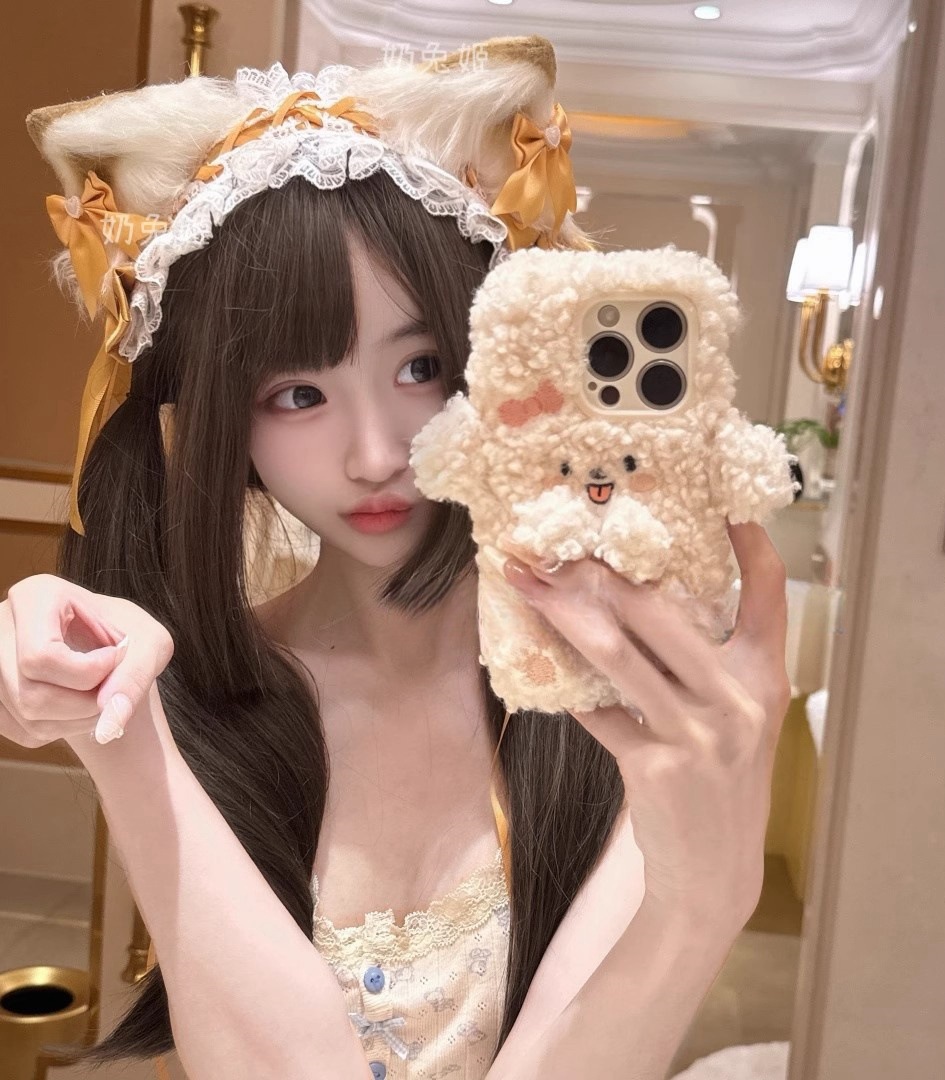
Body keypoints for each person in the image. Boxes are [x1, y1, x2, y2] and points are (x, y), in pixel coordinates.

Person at [1, 35, 793, 1080]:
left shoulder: (608, 691)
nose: (376, 453)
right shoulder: (192, 694)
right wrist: (118, 727)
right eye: (298, 393)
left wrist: (705, 900)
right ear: (225, 425)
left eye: (420, 366)